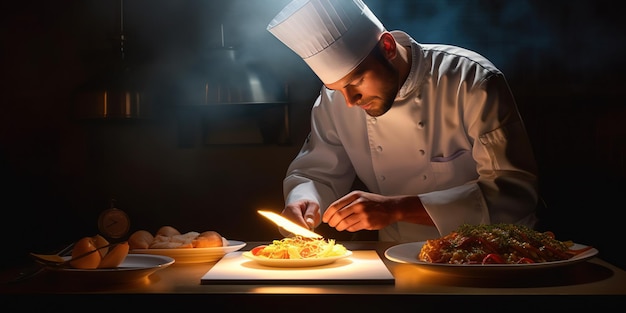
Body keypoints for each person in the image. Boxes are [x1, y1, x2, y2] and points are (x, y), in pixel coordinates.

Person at [266, 0, 539, 242]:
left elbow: (512, 192)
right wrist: (303, 200)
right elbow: (316, 172)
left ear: (387, 47)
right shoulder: (336, 100)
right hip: (397, 254)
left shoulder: (470, 80)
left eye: (357, 81)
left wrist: (395, 208)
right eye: (338, 89)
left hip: (494, 253)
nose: (350, 101)